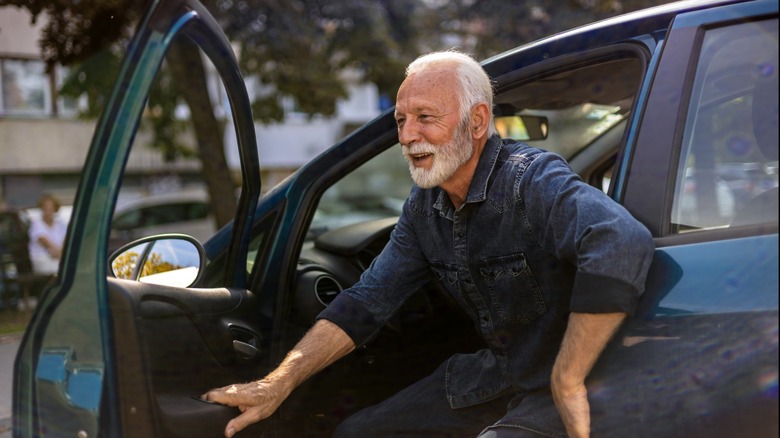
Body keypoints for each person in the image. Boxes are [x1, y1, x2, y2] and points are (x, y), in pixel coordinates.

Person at [203, 50, 654, 438]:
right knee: (354, 432)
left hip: (564, 386)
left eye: (425, 118)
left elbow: (619, 240)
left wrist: (568, 376)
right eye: (401, 120)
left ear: (477, 121)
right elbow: (365, 302)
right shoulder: (425, 207)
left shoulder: (529, 178)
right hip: (500, 374)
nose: (406, 136)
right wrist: (277, 384)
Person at [27, 193, 67, 276]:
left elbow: (66, 243)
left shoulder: (61, 225)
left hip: (59, 259)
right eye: (45, 206)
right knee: (63, 269)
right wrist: (63, 256)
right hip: (42, 261)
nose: (48, 208)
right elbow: (49, 246)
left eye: (50, 206)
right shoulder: (36, 224)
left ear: (55, 208)